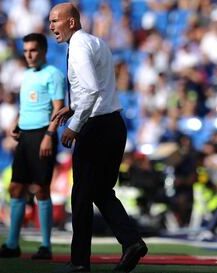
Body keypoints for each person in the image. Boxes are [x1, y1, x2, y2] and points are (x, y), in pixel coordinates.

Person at [49, 3, 147, 273]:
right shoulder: (97, 42)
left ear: (71, 22)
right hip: (114, 123)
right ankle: (131, 242)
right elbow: (98, 87)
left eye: (56, 21)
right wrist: (73, 105)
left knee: (81, 194)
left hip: (95, 127)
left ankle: (79, 262)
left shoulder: (78, 46)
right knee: (102, 191)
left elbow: (91, 90)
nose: (51, 26)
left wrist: (75, 125)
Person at [0, 33, 65, 259]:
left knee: (41, 189)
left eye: (33, 50)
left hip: (43, 134)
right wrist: (17, 123)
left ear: (43, 51)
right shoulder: (25, 75)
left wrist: (49, 134)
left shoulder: (53, 74)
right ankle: (13, 244)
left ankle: (46, 246)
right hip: (25, 136)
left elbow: (59, 108)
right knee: (16, 187)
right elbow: (27, 106)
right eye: (25, 51)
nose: (29, 55)